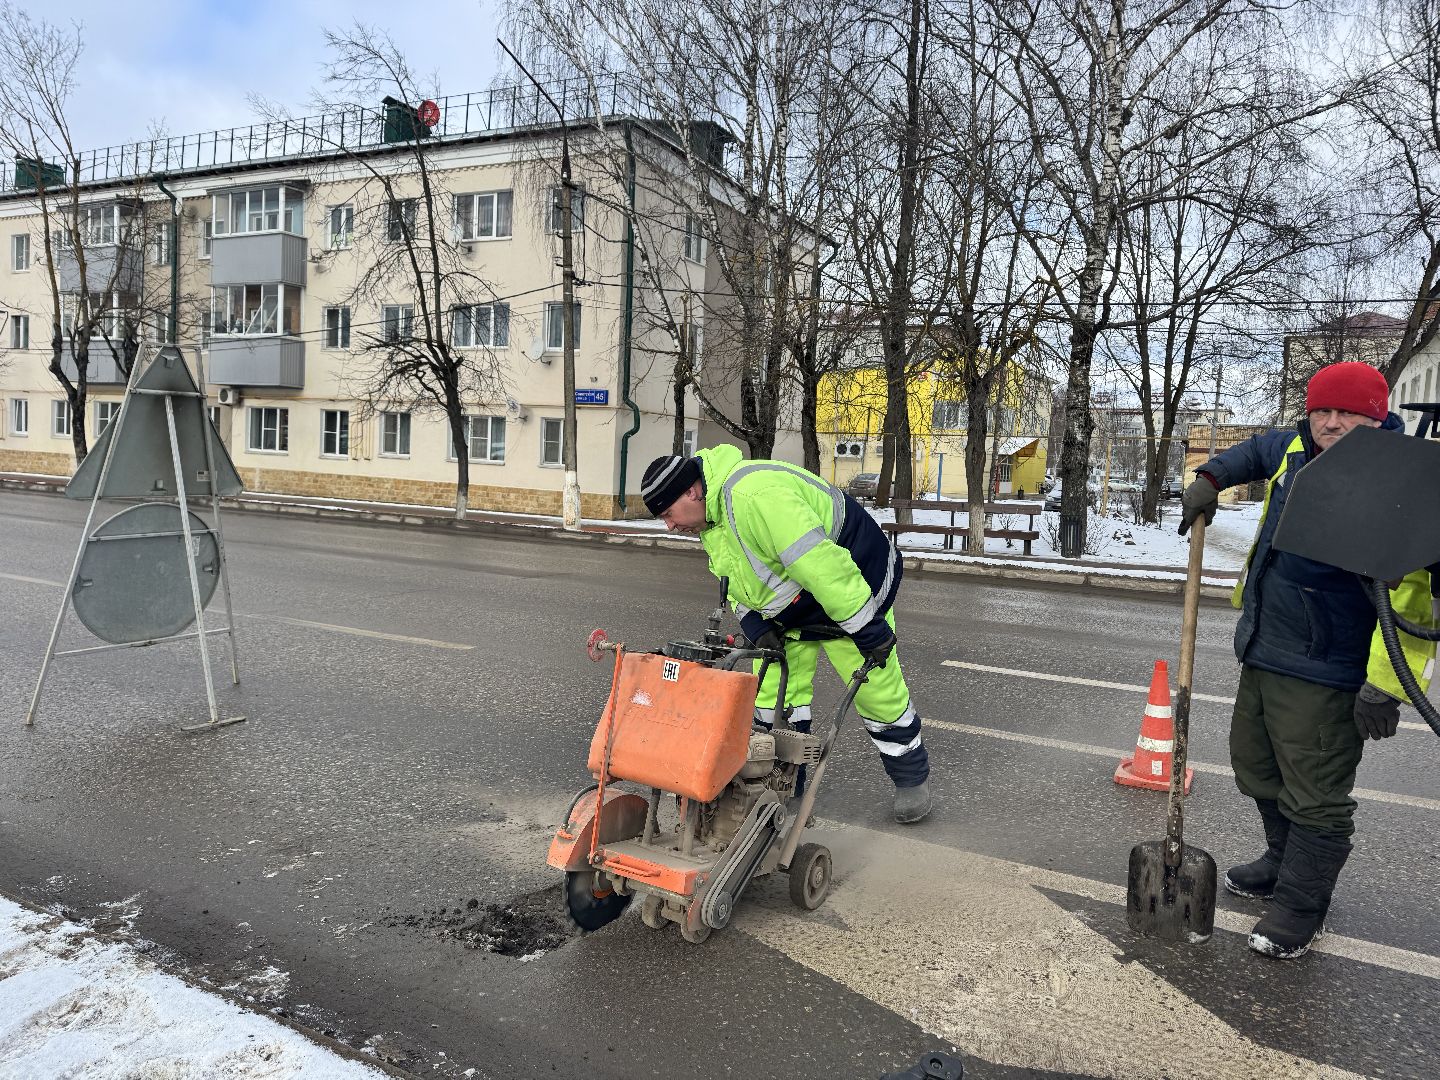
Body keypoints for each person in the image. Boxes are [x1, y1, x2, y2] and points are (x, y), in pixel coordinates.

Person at [1179, 361, 1435, 959]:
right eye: (1323, 410)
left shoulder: (1399, 482)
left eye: (1347, 412)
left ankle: (1301, 906)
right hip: (1266, 646)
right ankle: (1281, 859)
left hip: (1330, 667)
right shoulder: (1296, 444)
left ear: (1375, 417)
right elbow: (1253, 451)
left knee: (1316, 792)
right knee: (1258, 768)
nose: (1332, 422)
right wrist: (1211, 477)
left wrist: (1385, 684)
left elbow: (1416, 600)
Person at [641, 447, 932, 823]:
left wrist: (869, 629)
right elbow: (737, 582)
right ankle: (783, 787)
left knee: (877, 687)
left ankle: (911, 778)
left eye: (667, 514)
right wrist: (757, 627)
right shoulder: (711, 521)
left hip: (854, 583)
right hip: (796, 604)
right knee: (773, 694)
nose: (669, 526)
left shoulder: (756, 497)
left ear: (692, 492)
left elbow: (825, 569)